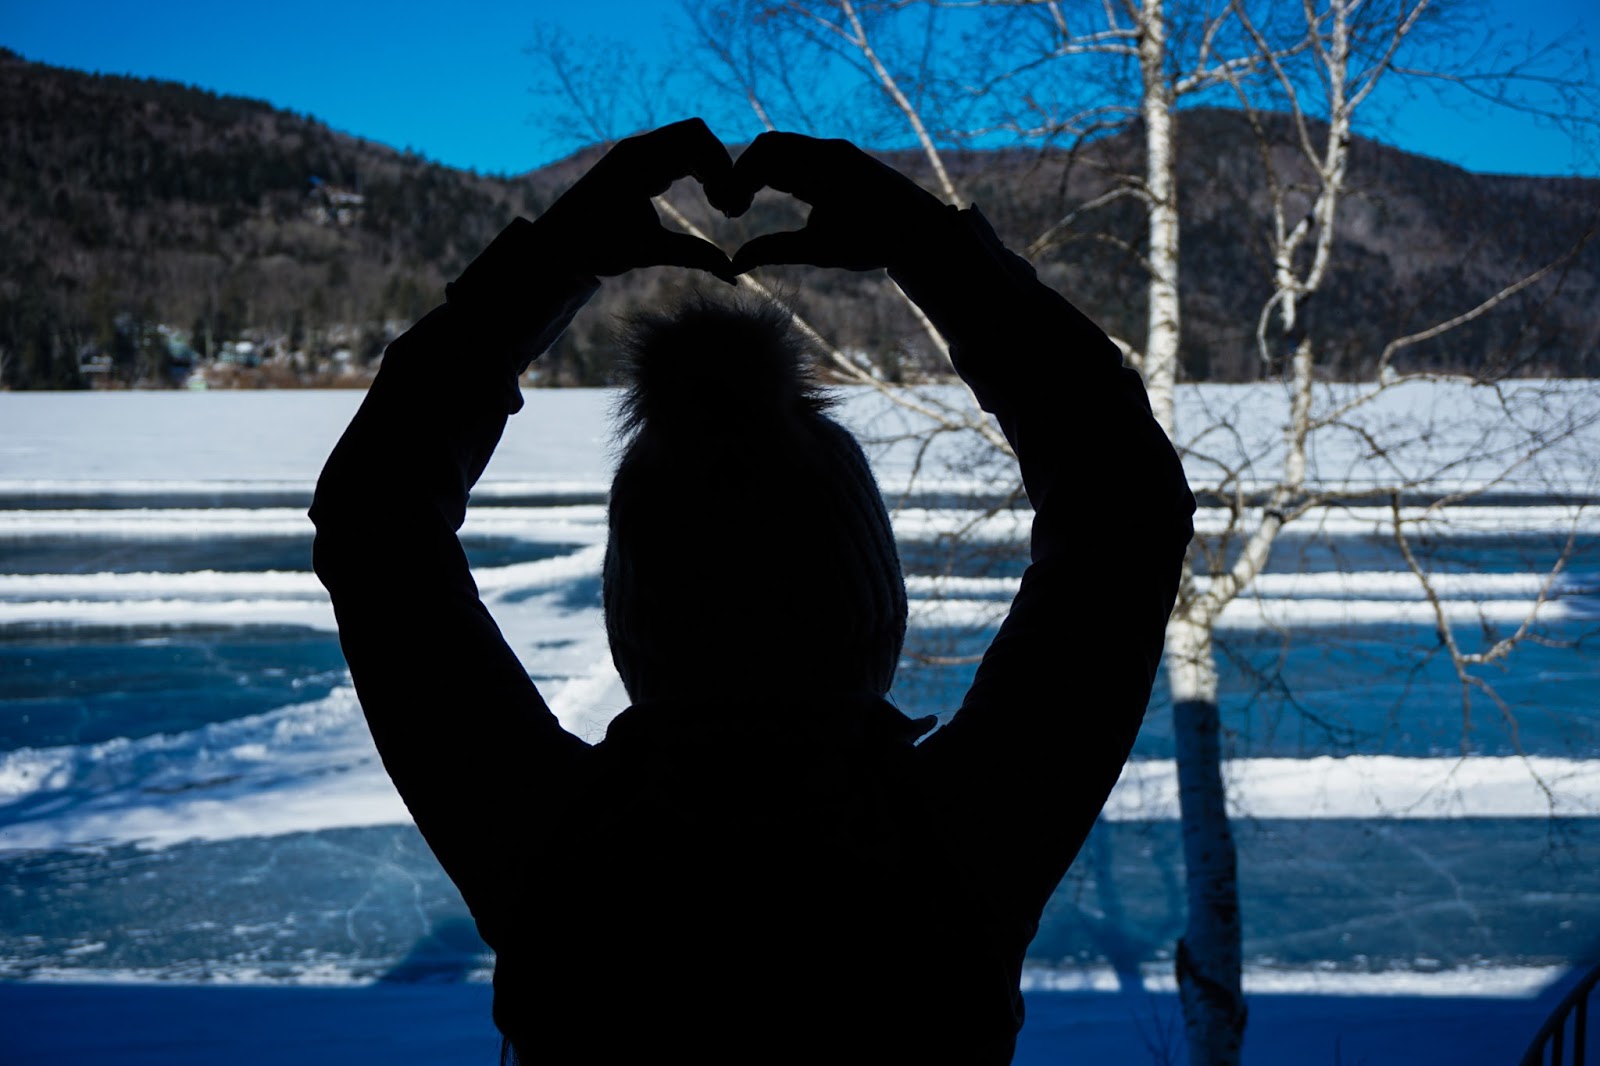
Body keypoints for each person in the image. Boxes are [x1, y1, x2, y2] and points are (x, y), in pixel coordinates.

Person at [310, 118, 1194, 1064]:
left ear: (632, 618)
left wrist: (552, 263)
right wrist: (931, 250)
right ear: (873, 612)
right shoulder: (955, 845)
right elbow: (1122, 510)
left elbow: (376, 526)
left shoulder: (559, 850)